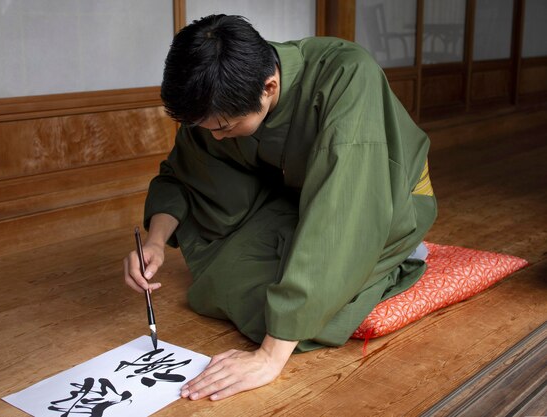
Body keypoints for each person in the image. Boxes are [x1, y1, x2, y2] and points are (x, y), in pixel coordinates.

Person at [123, 14, 437, 402]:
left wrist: (269, 358)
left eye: (223, 128)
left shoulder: (347, 75)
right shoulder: (228, 94)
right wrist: (155, 242)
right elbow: (186, 172)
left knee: (302, 314)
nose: (216, 136)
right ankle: (320, 283)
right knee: (220, 282)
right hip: (297, 194)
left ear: (269, 86)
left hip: (382, 199)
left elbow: (342, 216)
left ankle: (400, 254)